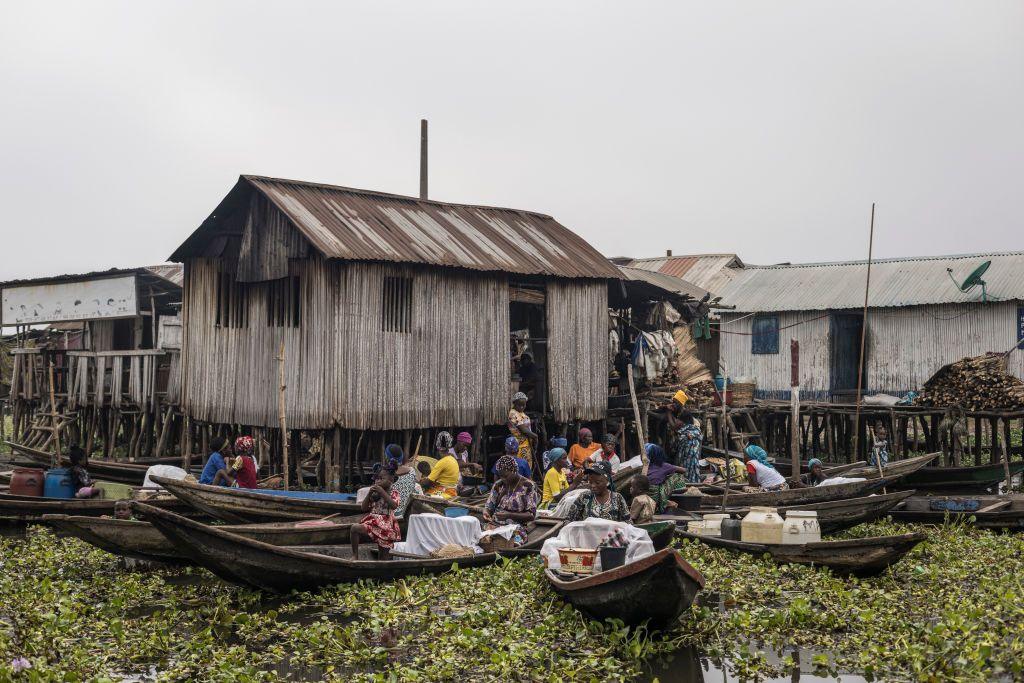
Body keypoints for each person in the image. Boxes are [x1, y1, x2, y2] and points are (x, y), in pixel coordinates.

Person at [482, 455, 539, 546]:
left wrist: (509, 515)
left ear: (514, 471)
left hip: (516, 527)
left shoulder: (528, 486)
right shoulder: (499, 485)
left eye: (506, 476)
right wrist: (486, 512)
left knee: (513, 542)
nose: (503, 479)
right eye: (501, 476)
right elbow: (489, 506)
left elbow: (531, 515)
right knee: (479, 537)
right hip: (495, 524)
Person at [350, 463, 401, 560]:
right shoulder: (374, 493)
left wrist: (382, 492)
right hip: (373, 523)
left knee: (383, 558)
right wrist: (369, 493)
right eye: (376, 479)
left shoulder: (394, 492)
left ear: (391, 480)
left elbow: (394, 506)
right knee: (354, 528)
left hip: (386, 527)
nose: (378, 481)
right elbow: (364, 508)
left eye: (381, 478)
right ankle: (355, 555)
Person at [566, 461, 632, 522]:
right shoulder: (584, 497)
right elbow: (569, 521)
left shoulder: (617, 498)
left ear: (607, 481)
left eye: (597, 483)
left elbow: (628, 523)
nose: (593, 486)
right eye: (590, 482)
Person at [644, 443, 691, 512]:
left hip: (644, 492)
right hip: (656, 494)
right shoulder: (664, 465)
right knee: (678, 476)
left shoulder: (643, 466)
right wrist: (667, 473)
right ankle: (676, 498)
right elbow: (684, 470)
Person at [384, 443, 418, 517]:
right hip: (406, 512)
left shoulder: (386, 475)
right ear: (401, 457)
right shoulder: (412, 471)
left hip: (391, 514)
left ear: (387, 458)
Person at [672, 409, 703, 483]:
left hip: (684, 463)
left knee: (684, 478)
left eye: (677, 419)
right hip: (694, 463)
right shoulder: (696, 431)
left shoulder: (683, 435)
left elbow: (676, 451)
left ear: (682, 422)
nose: (676, 421)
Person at [507, 392, 538, 466]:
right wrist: (535, 436)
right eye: (519, 405)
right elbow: (524, 430)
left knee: (527, 467)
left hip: (526, 445)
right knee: (521, 467)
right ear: (514, 403)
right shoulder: (513, 413)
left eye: (523, 405)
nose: (521, 407)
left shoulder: (521, 413)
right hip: (519, 446)